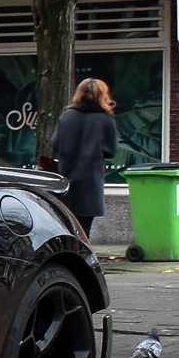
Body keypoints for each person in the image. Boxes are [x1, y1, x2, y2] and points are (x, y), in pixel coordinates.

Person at [49, 78, 119, 240]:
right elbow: (111, 151)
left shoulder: (67, 117)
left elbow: (55, 145)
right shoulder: (106, 120)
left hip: (67, 183)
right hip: (90, 184)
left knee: (66, 228)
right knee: (84, 231)